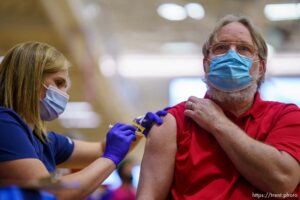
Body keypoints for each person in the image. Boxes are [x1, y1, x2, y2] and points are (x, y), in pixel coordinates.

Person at [136, 15, 300, 200]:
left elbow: (282, 182)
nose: (231, 55)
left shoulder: (287, 116)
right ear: (206, 64)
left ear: (261, 68)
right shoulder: (174, 122)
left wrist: (218, 122)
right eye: (221, 48)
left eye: (243, 49)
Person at [0, 41, 166, 200]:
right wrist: (110, 159)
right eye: (58, 83)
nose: (64, 94)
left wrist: (137, 128)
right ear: (31, 80)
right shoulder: (4, 123)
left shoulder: (43, 140)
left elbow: (101, 149)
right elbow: (52, 190)